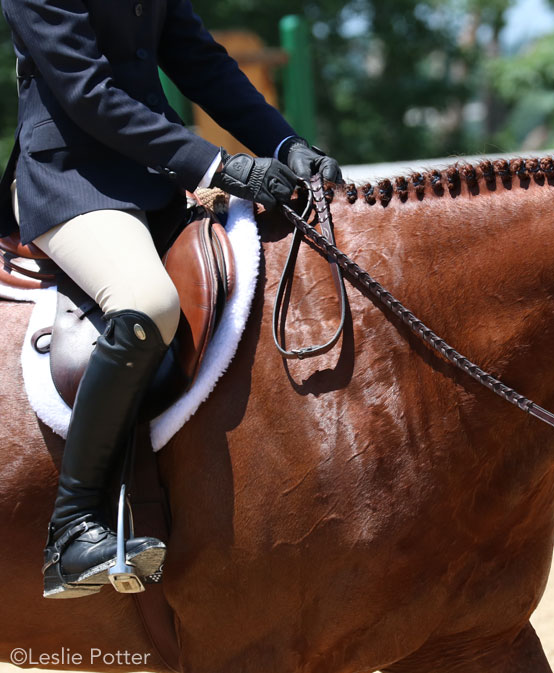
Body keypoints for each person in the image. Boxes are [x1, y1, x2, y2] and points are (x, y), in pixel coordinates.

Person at [0, 0, 341, 599]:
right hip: (74, 179)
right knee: (147, 301)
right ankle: (72, 528)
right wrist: (218, 165)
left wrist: (285, 144)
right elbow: (85, 91)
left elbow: (200, 61)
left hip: (156, 178)